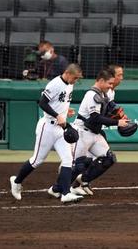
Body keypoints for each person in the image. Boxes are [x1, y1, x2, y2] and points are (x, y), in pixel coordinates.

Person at [9, 64, 83, 203]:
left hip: (61, 128)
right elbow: (42, 103)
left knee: (68, 160)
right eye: (75, 77)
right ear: (67, 73)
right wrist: (57, 115)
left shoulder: (70, 84)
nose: (76, 81)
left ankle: (65, 193)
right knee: (37, 160)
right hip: (47, 127)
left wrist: (65, 112)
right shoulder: (55, 84)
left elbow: (59, 103)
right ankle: (16, 182)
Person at [68, 70, 130, 199]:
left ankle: (82, 181)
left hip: (94, 133)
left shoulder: (103, 94)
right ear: (101, 80)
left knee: (109, 158)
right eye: (109, 83)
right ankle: (59, 188)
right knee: (79, 165)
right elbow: (95, 117)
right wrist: (117, 122)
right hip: (82, 132)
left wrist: (120, 114)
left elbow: (111, 107)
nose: (111, 86)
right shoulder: (92, 95)